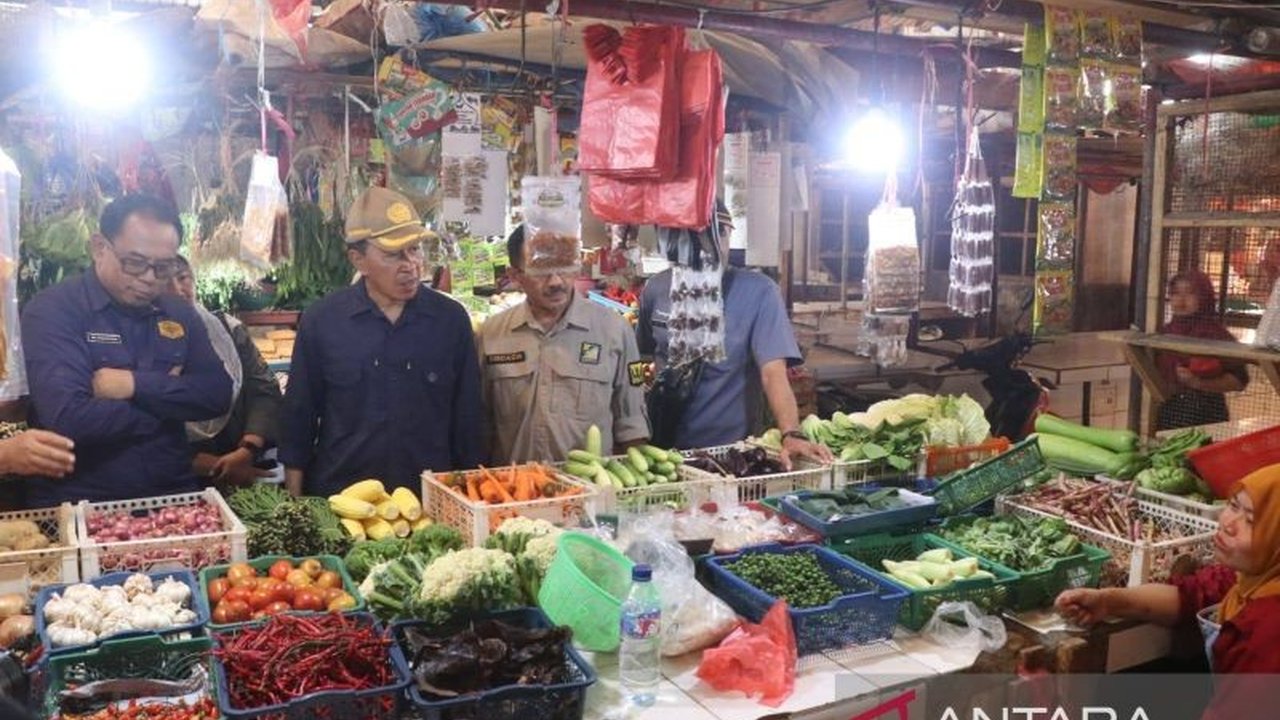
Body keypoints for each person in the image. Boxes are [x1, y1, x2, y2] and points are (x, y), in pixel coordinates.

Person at [20, 194, 232, 505]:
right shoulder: (54, 311)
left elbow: (217, 394)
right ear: (99, 248)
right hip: (81, 502)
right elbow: (70, 418)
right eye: (135, 263)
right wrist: (170, 398)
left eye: (163, 268)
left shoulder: (179, 313)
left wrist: (133, 385)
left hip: (174, 499)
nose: (149, 278)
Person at [278, 187, 484, 497]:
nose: (410, 265)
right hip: (342, 503)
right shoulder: (323, 321)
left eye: (414, 249)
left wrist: (470, 497)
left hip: (432, 502)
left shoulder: (450, 320)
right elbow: (299, 419)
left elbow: (469, 421)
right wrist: (296, 506)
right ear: (358, 259)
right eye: (393, 254)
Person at [1055, 464, 1280, 718]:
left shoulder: (1267, 633)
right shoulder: (1250, 580)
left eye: (1250, 520)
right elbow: (1190, 595)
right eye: (1233, 505)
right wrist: (1109, 601)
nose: (1228, 523)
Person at [636, 201, 832, 469]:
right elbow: (640, 364)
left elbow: (773, 373)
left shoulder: (759, 293)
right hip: (664, 455)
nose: (711, 246)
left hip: (731, 455)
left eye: (721, 234)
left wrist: (791, 433)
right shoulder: (655, 290)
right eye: (699, 236)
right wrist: (632, 432)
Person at [478, 226, 649, 464]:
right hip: (515, 492)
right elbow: (479, 422)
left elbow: (633, 425)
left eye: (564, 268)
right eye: (541, 272)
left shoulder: (616, 331)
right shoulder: (491, 335)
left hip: (591, 493)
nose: (556, 281)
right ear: (515, 275)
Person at [167, 256, 281, 487]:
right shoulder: (138, 341)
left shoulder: (227, 329)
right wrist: (207, 463)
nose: (178, 290)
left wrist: (248, 449)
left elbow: (264, 388)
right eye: (165, 283)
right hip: (175, 474)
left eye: (183, 278)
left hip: (242, 461)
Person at [1156, 271, 1248, 431]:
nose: (1181, 299)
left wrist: (1198, 382)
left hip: (1206, 414)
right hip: (1167, 413)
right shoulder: (1163, 333)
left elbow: (1240, 381)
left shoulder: (1217, 336)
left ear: (1204, 297)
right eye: (1176, 293)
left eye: (1190, 293)